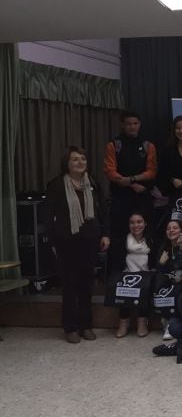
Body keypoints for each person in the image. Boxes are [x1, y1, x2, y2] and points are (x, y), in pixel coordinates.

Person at [46, 146, 110, 343]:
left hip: (89, 240)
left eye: (83, 159)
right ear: (66, 163)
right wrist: (53, 242)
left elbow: (103, 211)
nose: (80, 162)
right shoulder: (56, 185)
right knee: (69, 286)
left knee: (86, 285)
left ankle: (86, 326)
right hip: (66, 242)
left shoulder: (92, 183)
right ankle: (71, 328)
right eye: (75, 159)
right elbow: (48, 217)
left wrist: (105, 234)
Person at [104, 110, 157, 273]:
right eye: (128, 124)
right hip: (121, 199)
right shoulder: (114, 145)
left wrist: (132, 179)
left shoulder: (148, 145)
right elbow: (110, 172)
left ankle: (149, 273)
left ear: (139, 124)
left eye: (135, 123)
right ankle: (117, 276)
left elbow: (152, 171)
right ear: (122, 125)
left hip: (142, 198)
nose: (132, 127)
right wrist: (131, 184)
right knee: (119, 238)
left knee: (147, 235)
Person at [116, 212, 154, 338]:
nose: (136, 225)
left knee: (144, 290)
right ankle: (123, 323)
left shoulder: (151, 239)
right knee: (124, 289)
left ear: (145, 223)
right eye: (132, 223)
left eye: (139, 222)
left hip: (145, 274)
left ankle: (142, 322)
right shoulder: (124, 239)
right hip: (128, 273)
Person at [156, 219, 182, 340]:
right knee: (160, 285)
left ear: (181, 231)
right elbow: (160, 270)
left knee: (178, 289)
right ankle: (165, 320)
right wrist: (161, 263)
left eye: (175, 228)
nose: (171, 231)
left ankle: (171, 323)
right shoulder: (164, 247)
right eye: (168, 229)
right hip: (169, 279)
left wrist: (181, 247)